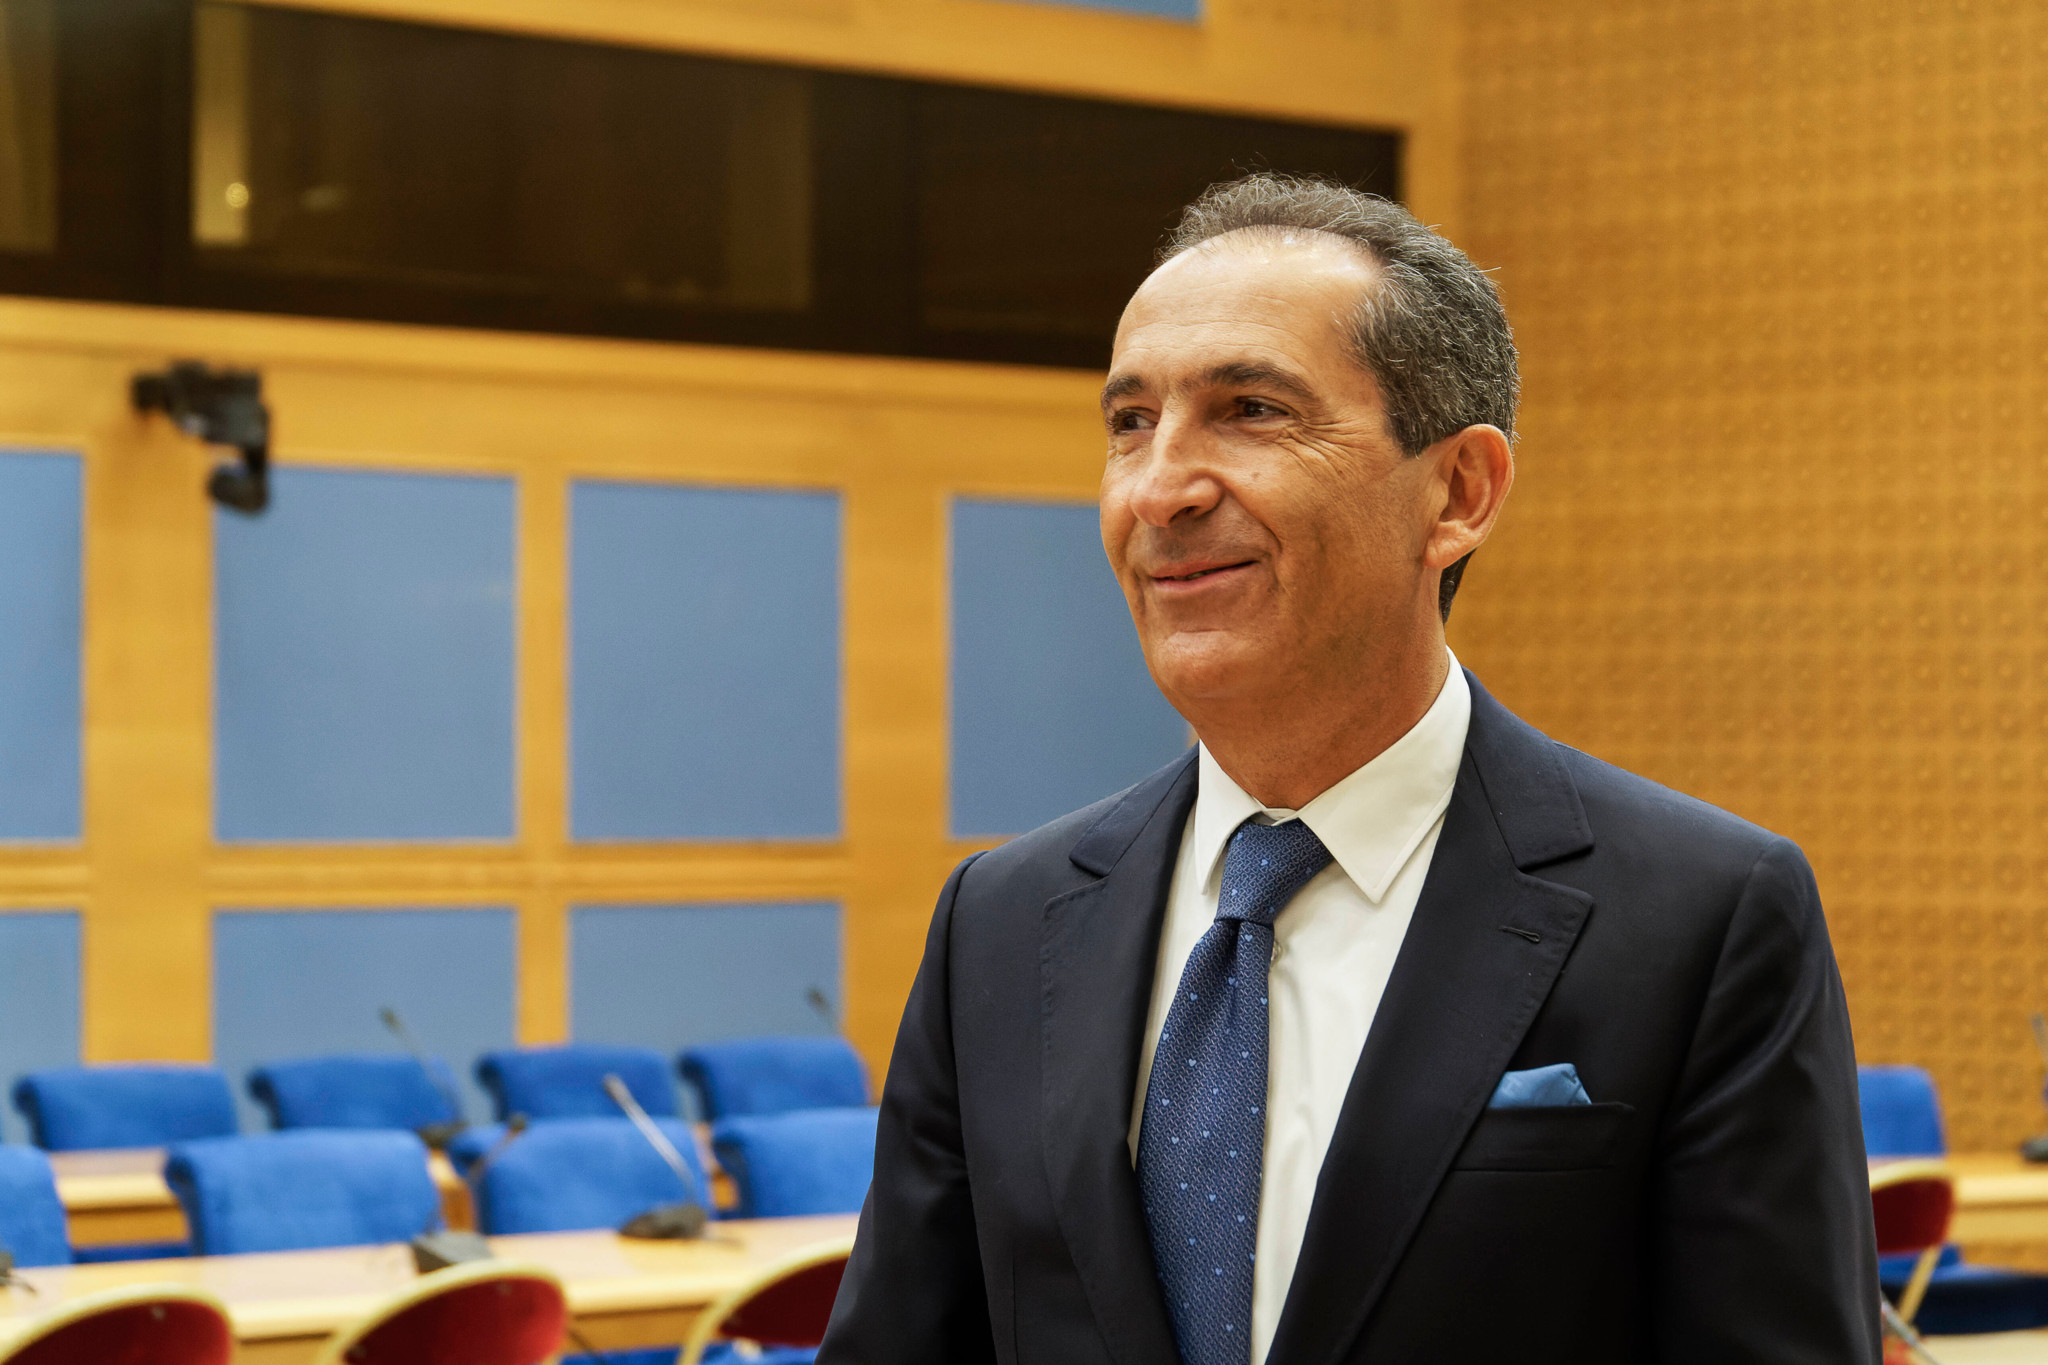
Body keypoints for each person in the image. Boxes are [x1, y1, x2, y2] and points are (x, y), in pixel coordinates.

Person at [818, 173, 1878, 1364]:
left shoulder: (1702, 916)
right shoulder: (1001, 923)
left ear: (1458, 492)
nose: (1159, 488)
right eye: (1130, 423)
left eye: (1250, 410)